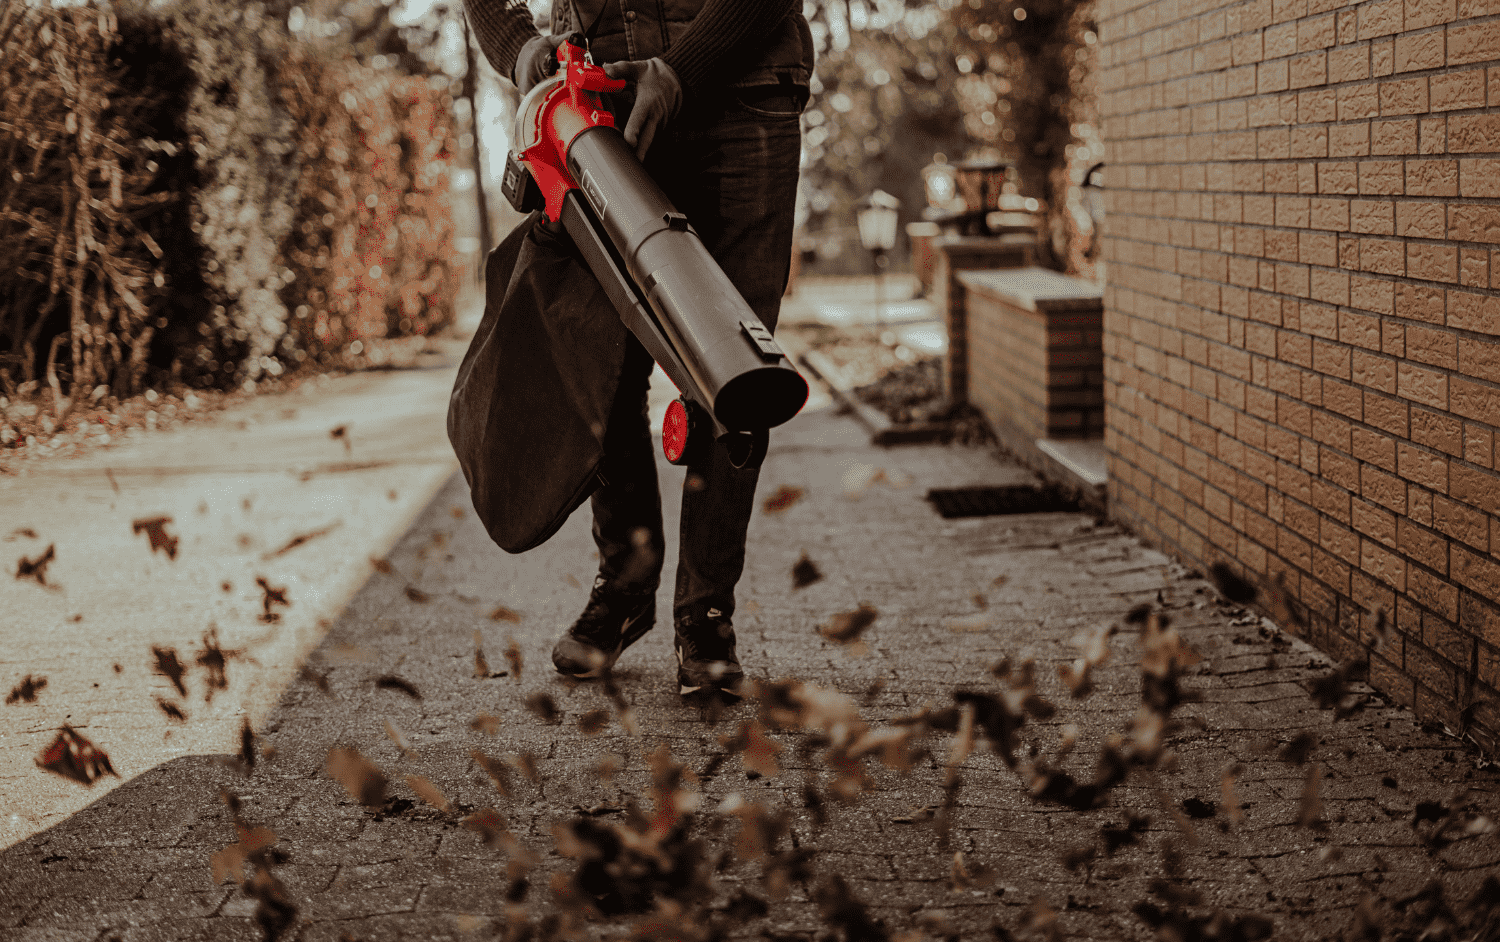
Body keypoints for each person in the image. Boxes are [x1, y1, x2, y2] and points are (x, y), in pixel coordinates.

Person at [462, 0, 813, 697]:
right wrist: (523, 50)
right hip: (599, 98)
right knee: (602, 358)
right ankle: (625, 583)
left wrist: (683, 71)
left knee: (731, 366)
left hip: (746, 94)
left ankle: (706, 612)